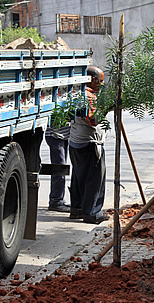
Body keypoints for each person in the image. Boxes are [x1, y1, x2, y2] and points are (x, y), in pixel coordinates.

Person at [68, 66, 109, 224]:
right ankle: (92, 213)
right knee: (94, 179)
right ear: (92, 80)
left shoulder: (76, 92)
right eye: (100, 81)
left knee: (78, 177)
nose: (102, 84)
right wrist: (106, 107)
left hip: (75, 142)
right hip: (89, 143)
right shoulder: (88, 96)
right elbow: (93, 120)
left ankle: (77, 209)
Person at [45, 124, 71, 213]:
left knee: (62, 169)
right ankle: (56, 201)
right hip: (55, 135)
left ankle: (59, 199)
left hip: (64, 136)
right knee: (59, 170)